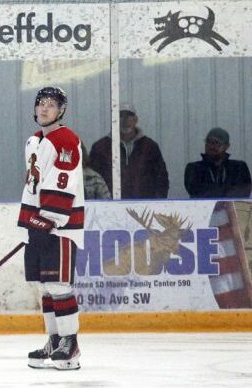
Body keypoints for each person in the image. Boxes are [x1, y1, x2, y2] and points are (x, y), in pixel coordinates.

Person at [19, 87, 85, 371]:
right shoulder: (34, 141)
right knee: (46, 288)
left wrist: (48, 220)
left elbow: (63, 182)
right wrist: (30, 223)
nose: (45, 108)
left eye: (51, 104)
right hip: (37, 225)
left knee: (59, 285)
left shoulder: (66, 140)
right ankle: (54, 340)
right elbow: (32, 185)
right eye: (41, 104)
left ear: (61, 110)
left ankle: (70, 344)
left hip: (59, 227)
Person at [89, 107, 168, 199]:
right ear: (114, 120)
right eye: (121, 116)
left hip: (144, 208)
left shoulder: (150, 147)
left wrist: (157, 204)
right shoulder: (100, 147)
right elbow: (92, 180)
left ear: (136, 120)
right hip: (110, 207)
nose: (125, 120)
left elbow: (161, 179)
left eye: (129, 116)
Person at [184, 128, 252, 198]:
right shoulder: (194, 168)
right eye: (208, 141)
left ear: (226, 146)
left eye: (216, 142)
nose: (211, 146)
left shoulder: (239, 167)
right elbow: (197, 192)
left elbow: (242, 192)